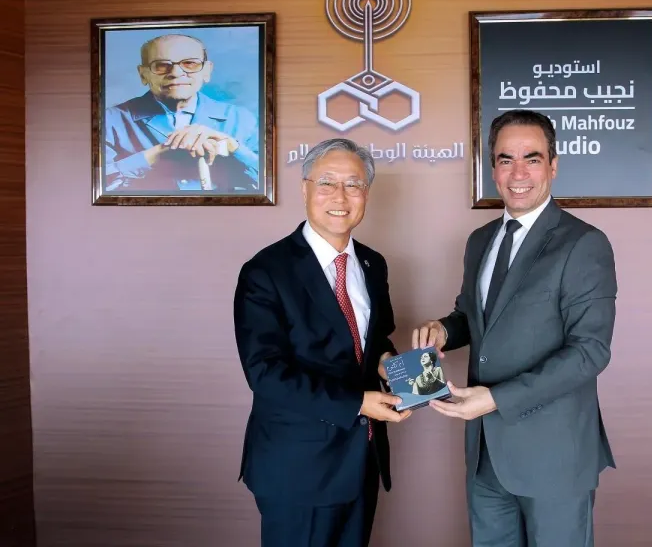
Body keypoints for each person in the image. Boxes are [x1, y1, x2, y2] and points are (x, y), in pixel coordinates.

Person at [413, 109, 617, 547]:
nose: (518, 173)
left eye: (532, 158)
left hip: (554, 455)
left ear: (553, 165)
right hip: (486, 455)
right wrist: (444, 331)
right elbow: (473, 317)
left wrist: (496, 398)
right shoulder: (480, 241)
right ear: (493, 169)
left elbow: (590, 351)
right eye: (506, 159)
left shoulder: (584, 243)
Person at [233, 138, 411, 547]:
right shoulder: (266, 271)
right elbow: (265, 373)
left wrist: (399, 370)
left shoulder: (372, 263)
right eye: (327, 182)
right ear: (305, 189)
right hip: (298, 466)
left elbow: (374, 340)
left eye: (353, 184)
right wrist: (358, 403)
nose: (340, 196)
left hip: (361, 459)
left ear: (366, 193)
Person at [104, 33, 260, 192]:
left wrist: (233, 147)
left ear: (207, 71)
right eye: (161, 65)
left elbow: (269, 182)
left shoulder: (241, 119)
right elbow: (96, 186)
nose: (176, 73)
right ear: (143, 74)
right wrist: (160, 152)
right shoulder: (109, 121)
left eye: (190, 63)